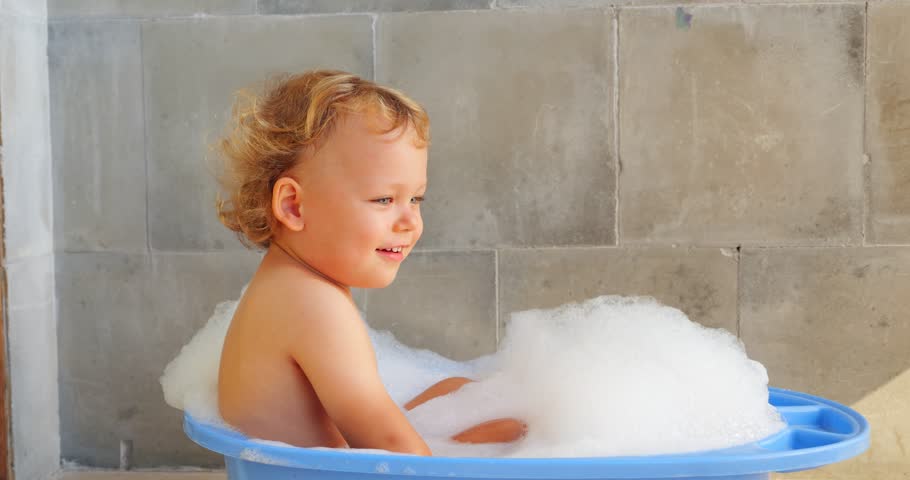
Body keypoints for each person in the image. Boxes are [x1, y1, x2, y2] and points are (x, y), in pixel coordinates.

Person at [215, 70, 526, 455]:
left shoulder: (287, 284)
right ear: (294, 206)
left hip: (322, 458)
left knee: (461, 393)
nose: (410, 222)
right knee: (516, 430)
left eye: (415, 199)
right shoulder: (313, 306)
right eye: (383, 199)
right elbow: (393, 448)